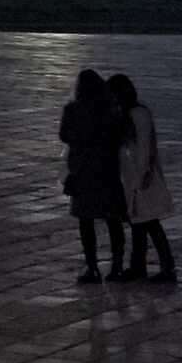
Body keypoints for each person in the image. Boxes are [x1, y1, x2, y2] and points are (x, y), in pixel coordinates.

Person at [59, 68, 129, 282]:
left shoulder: (72, 109)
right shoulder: (110, 109)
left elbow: (64, 136)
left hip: (83, 170)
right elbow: (119, 135)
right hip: (107, 169)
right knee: (112, 219)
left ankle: (92, 266)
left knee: (86, 220)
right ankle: (117, 265)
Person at [108, 74, 178, 282]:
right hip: (132, 178)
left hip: (142, 179)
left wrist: (140, 177)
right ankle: (138, 265)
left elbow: (144, 149)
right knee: (138, 222)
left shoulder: (138, 115)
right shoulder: (127, 113)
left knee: (149, 222)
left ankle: (167, 266)